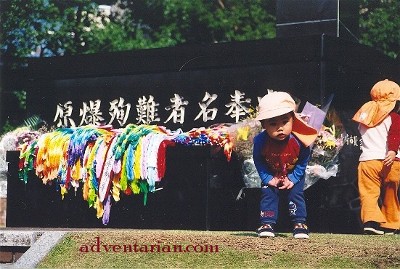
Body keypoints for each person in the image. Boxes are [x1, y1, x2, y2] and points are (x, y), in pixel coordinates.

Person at [253, 91, 318, 239]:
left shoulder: (299, 141)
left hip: (293, 173)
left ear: (293, 120)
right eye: (273, 124)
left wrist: (293, 178)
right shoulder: (260, 141)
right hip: (271, 173)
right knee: (268, 195)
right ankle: (267, 223)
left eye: (284, 122)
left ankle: (299, 224)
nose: (280, 127)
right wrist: (267, 178)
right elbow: (258, 160)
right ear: (264, 125)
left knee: (296, 195)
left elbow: (303, 160)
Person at [352, 79, 400, 235]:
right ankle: (392, 224)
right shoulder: (394, 117)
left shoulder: (364, 117)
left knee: (369, 194)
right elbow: (395, 135)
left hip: (367, 161)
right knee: (391, 193)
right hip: (391, 161)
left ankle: (370, 223)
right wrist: (392, 151)